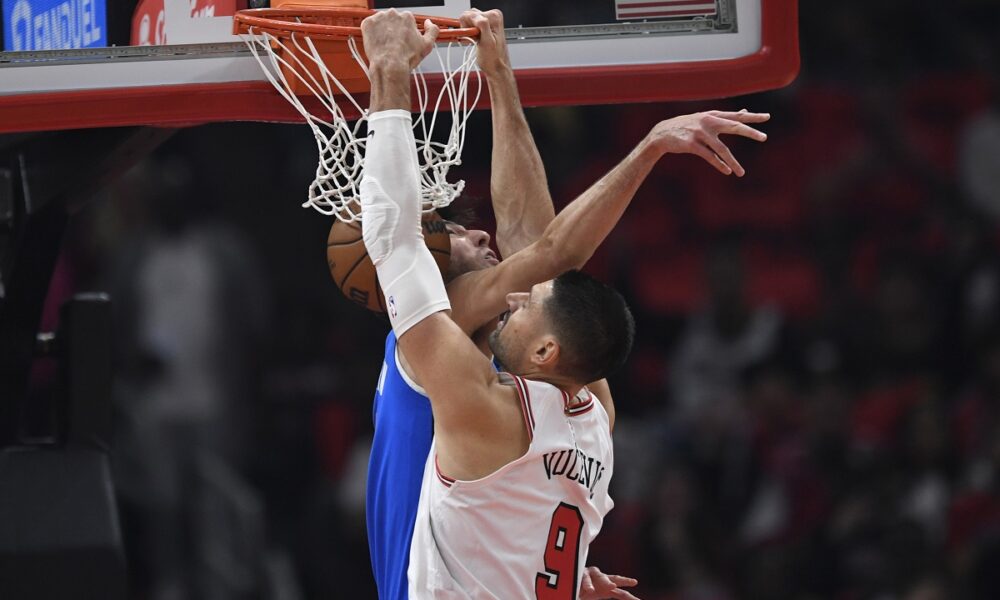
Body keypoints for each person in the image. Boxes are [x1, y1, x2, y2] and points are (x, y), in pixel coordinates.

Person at [357, 10, 768, 598]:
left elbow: (413, 242)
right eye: (458, 234)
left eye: (526, 304)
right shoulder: (589, 411)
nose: (514, 290)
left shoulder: (486, 396)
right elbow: (544, 250)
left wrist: (390, 72)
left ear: (546, 349)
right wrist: (499, 77)